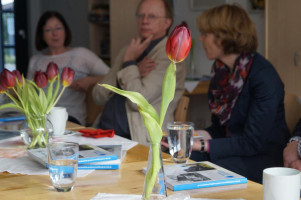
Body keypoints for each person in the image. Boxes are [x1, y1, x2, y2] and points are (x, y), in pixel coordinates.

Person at [189, 4, 290, 183]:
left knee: (195, 163)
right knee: (180, 154)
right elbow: (220, 130)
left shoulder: (263, 76)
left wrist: (202, 145)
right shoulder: (221, 71)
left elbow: (252, 142)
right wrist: (193, 135)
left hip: (262, 159)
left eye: (205, 33)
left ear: (224, 36)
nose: (201, 38)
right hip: (237, 152)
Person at [92, 0, 186, 146]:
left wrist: (129, 63)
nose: (144, 21)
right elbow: (97, 95)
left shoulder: (170, 55)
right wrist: (126, 74)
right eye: (141, 15)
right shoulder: (129, 50)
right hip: (103, 132)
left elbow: (138, 101)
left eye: (152, 16)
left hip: (138, 139)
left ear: (167, 23)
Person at [27, 11, 109, 125]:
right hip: (41, 118)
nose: (54, 33)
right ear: (42, 35)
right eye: (48, 30)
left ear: (65, 31)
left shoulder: (81, 54)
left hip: (70, 118)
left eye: (58, 28)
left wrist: (90, 81)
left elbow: (113, 74)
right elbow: (28, 91)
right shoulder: (35, 60)